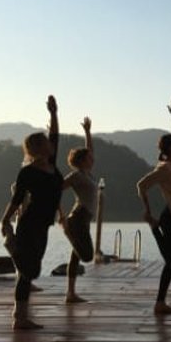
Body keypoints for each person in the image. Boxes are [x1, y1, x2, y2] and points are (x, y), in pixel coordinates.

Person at [0, 95, 64, 329]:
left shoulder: (52, 164)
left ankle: (21, 316)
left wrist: (54, 113)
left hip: (45, 223)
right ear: (38, 147)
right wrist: (5, 220)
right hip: (30, 223)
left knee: (31, 270)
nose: (51, 143)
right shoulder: (27, 172)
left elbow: (56, 135)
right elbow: (16, 200)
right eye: (46, 142)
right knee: (29, 272)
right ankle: (19, 318)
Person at [135, 98, 171, 316]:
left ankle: (160, 302)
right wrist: (147, 211)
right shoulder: (165, 167)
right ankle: (159, 303)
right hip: (170, 216)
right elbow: (141, 185)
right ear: (170, 148)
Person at [58, 114, 98, 305]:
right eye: (89, 158)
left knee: (75, 257)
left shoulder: (87, 173)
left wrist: (88, 132)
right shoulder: (76, 176)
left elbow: (90, 149)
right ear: (82, 161)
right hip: (78, 218)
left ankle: (70, 293)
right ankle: (67, 231)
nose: (93, 158)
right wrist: (61, 215)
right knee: (87, 256)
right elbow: (56, 191)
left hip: (84, 219)